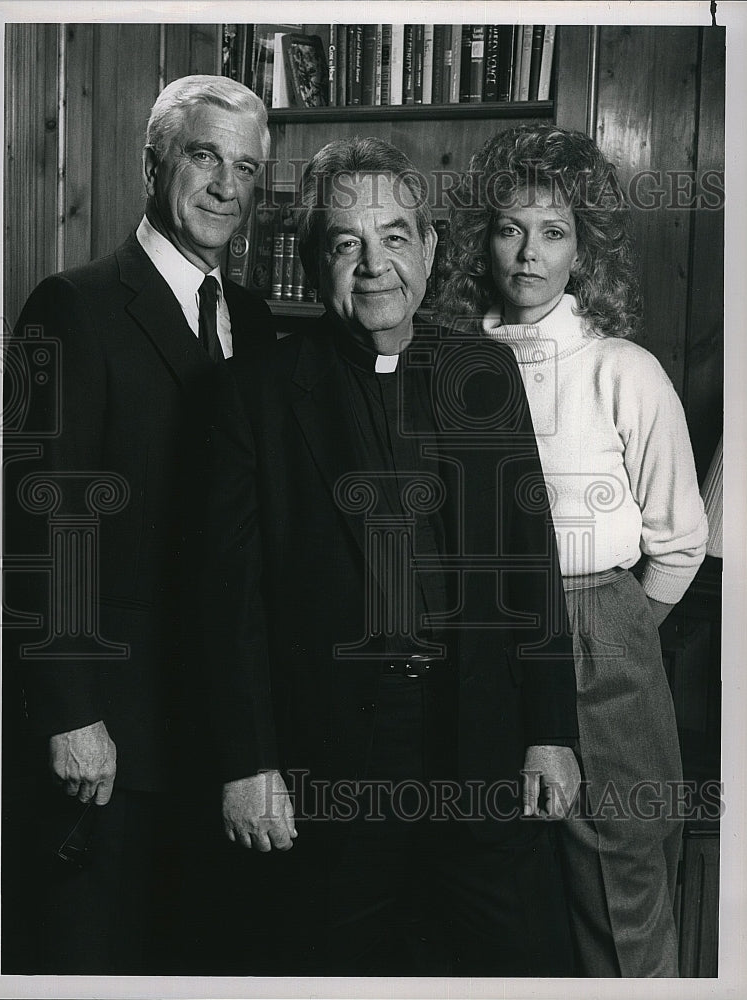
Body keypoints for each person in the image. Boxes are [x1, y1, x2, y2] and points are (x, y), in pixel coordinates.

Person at [204, 135, 581, 977]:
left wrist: (551, 732)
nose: (375, 266)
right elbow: (230, 603)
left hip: (478, 745)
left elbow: (530, 560)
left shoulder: (483, 371)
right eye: (347, 244)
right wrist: (248, 763)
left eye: (396, 237)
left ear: (432, 247)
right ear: (312, 263)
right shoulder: (252, 394)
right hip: (331, 764)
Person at [2, 75, 275, 974]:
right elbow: (46, 521)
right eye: (206, 156)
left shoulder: (259, 322)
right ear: (152, 162)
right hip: (110, 736)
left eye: (246, 168)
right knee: (93, 959)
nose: (226, 186)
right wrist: (71, 711)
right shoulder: (72, 305)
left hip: (216, 735)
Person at [437, 123, 708, 977]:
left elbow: (679, 541)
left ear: (583, 249)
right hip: (472, 629)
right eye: (510, 227)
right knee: (495, 881)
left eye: (554, 232)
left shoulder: (622, 369)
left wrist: (604, 624)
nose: (528, 253)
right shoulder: (443, 360)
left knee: (616, 869)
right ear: (483, 237)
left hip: (600, 621)